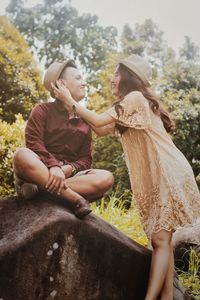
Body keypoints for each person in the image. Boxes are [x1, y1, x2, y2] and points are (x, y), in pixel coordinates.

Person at [51, 54, 200, 300]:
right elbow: (99, 128)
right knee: (163, 240)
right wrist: (69, 106)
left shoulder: (135, 98)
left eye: (117, 73)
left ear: (128, 77)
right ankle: (167, 297)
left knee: (160, 240)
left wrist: (71, 101)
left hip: (166, 171)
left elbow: (97, 120)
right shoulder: (129, 106)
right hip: (160, 172)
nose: (113, 78)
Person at [13, 59, 114, 219]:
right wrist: (53, 166)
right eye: (78, 78)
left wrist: (70, 169)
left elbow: (85, 159)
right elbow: (34, 143)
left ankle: (40, 191)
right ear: (62, 84)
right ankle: (74, 198)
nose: (84, 83)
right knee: (21, 155)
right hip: (42, 170)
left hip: (64, 176)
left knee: (106, 178)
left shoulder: (85, 121)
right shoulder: (42, 110)